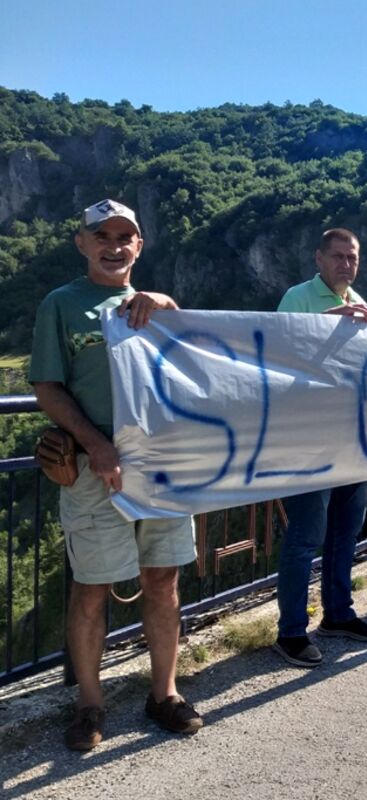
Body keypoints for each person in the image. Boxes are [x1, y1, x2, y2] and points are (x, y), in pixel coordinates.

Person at [30, 199, 202, 750]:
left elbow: (196, 365)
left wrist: (170, 306)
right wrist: (97, 445)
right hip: (93, 468)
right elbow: (47, 386)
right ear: (81, 243)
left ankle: (165, 694)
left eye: (124, 236)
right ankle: (89, 706)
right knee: (91, 589)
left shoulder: (156, 305)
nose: (113, 246)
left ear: (139, 247)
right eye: (101, 236)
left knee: (164, 580)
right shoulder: (61, 304)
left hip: (160, 465)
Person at [272, 228, 367, 668]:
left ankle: (338, 614)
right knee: (305, 537)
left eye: (352, 257)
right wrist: (328, 324)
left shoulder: (361, 301)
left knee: (344, 532)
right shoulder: (297, 299)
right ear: (318, 258)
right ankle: (291, 632)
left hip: (350, 438)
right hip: (306, 440)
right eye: (337, 256)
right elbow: (277, 357)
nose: (345, 264)